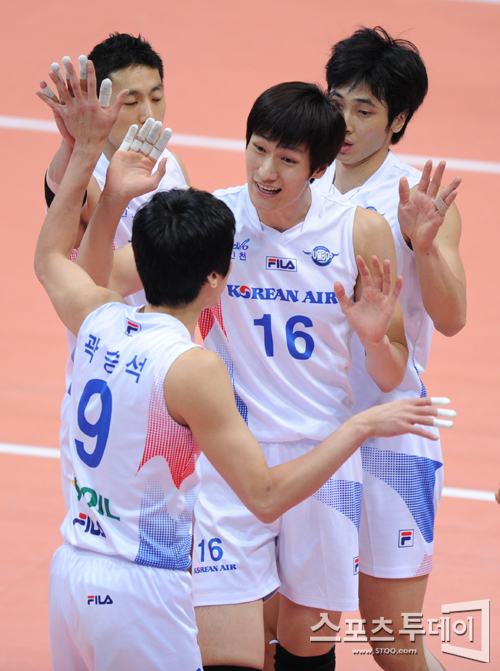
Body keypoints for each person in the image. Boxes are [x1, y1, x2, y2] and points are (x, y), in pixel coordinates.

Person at [33, 59, 447, 671]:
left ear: (319, 167)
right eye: (257, 149)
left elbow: (389, 374)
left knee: (306, 647)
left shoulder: (359, 232)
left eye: (286, 159)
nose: (264, 171)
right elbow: (97, 284)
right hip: (231, 460)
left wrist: (373, 341)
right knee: (229, 650)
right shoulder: (217, 220)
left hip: (321, 463)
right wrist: (110, 192)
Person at [309, 26, 465, 671]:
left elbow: (452, 318)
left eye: (364, 109)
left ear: (397, 120)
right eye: (336, 102)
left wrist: (424, 247)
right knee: (293, 633)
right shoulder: (295, 183)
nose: (343, 123)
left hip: (390, 436)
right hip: (308, 432)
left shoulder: (417, 201)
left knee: (392, 644)